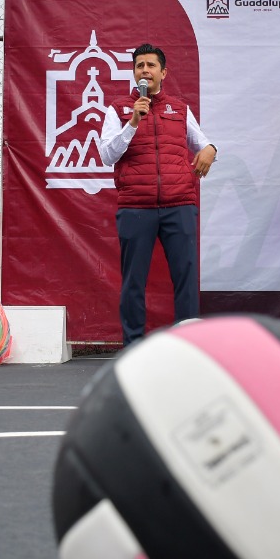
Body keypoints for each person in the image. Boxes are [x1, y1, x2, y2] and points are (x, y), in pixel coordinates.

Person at [96, 43, 216, 347]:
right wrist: (133, 122)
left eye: (151, 65)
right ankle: (133, 346)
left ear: (163, 72)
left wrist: (211, 151)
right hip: (136, 207)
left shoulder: (180, 109)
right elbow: (107, 156)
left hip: (180, 205)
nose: (145, 70)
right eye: (139, 65)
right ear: (133, 72)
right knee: (134, 281)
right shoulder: (119, 109)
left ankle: (189, 347)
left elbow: (204, 144)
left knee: (186, 279)